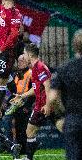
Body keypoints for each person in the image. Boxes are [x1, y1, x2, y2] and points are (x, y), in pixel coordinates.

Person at [11, 43, 64, 160]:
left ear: (30, 55)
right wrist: (22, 96)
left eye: (24, 53)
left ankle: (29, 158)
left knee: (30, 131)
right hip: (43, 104)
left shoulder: (40, 67)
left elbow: (48, 85)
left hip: (44, 105)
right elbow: (36, 88)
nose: (23, 56)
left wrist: (47, 105)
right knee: (61, 127)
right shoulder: (34, 68)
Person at [45, 29, 82, 160]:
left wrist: (59, 117)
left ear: (74, 46)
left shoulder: (64, 68)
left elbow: (52, 98)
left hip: (73, 119)